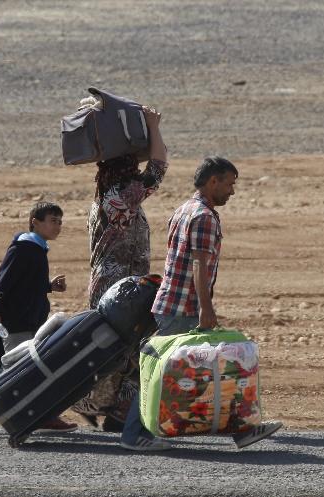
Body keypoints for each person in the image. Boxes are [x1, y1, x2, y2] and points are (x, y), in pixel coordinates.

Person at [120, 156, 283, 451]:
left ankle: (242, 430)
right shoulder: (204, 217)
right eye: (229, 184)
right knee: (166, 372)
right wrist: (206, 309)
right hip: (184, 308)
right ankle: (134, 435)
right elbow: (199, 265)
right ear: (213, 182)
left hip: (173, 302)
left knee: (210, 370)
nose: (231, 191)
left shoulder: (184, 209)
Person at [71, 105, 168, 431]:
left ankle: (116, 412)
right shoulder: (119, 197)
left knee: (125, 352)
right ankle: (92, 403)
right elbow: (157, 170)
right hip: (118, 289)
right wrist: (153, 127)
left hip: (118, 286)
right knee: (119, 352)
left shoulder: (107, 198)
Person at [0, 201, 78, 434]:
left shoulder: (37, 249)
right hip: (17, 322)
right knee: (17, 370)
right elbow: (4, 283)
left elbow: (25, 285)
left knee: (35, 369)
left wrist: (48, 287)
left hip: (30, 320)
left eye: (60, 222)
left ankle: (44, 415)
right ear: (35, 222)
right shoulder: (22, 249)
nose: (58, 226)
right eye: (53, 221)